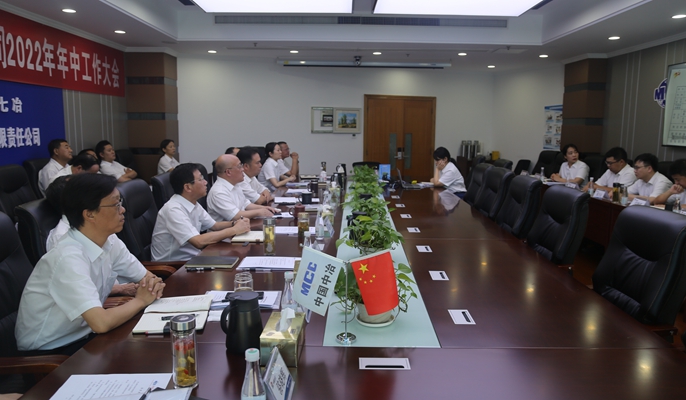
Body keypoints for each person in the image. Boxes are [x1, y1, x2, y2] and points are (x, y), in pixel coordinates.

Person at [15, 174, 165, 354]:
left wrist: (151, 287)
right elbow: (101, 323)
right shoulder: (67, 257)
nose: (123, 209)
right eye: (115, 204)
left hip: (86, 336)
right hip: (50, 352)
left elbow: (147, 279)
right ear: (89, 214)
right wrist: (140, 300)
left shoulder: (110, 241)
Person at [44, 177, 137, 297]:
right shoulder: (61, 240)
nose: (122, 209)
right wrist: (121, 289)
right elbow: (80, 292)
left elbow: (133, 267)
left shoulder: (102, 229)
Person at [151, 163, 250, 261]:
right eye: (201, 179)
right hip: (175, 265)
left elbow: (214, 225)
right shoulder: (173, 209)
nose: (205, 182)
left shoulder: (192, 202)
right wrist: (234, 230)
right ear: (188, 187)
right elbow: (198, 241)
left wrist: (235, 223)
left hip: (194, 258)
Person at [208, 154, 279, 221]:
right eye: (239, 166)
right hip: (228, 229)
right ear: (228, 172)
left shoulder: (235, 184)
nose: (243, 169)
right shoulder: (218, 192)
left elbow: (245, 204)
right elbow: (235, 216)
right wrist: (259, 212)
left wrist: (264, 208)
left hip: (242, 225)